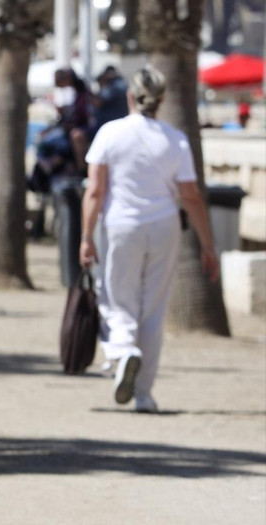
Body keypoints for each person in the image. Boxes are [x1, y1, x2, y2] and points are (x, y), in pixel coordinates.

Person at [80, 66, 220, 414]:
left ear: (131, 96)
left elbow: (95, 191)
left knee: (116, 296)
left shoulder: (110, 133)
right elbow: (190, 195)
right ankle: (143, 394)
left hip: (121, 225)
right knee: (154, 308)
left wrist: (86, 236)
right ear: (162, 100)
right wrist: (207, 244)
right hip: (164, 226)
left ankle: (124, 351)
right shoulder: (176, 139)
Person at [52, 68, 93, 175]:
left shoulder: (83, 92)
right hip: (73, 125)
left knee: (76, 136)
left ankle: (82, 170)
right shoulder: (74, 92)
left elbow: (85, 115)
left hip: (85, 127)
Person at [92, 66, 129, 134]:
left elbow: (98, 102)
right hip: (122, 121)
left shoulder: (113, 85)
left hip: (110, 123)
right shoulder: (123, 83)